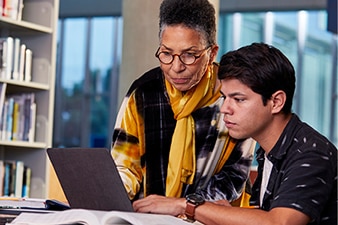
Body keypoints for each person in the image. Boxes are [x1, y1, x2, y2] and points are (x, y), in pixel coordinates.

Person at [132, 43, 337, 225]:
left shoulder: (310, 152)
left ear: (276, 102)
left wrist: (187, 205)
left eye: (238, 99)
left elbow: (280, 222)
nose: (224, 109)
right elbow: (268, 214)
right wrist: (225, 214)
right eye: (224, 97)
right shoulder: (271, 150)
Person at [111, 0, 256, 208]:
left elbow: (234, 177)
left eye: (190, 55)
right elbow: (124, 166)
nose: (176, 67)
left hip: (214, 219)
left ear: (212, 53)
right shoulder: (142, 93)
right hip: (148, 218)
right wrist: (108, 193)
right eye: (167, 54)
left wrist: (182, 206)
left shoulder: (232, 96)